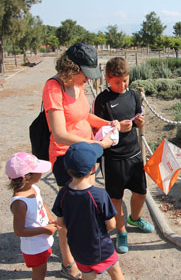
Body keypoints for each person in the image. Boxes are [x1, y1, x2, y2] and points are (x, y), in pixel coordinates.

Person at [42, 42, 119, 279]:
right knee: (72, 211)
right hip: (68, 158)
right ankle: (68, 260)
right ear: (71, 68)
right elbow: (59, 133)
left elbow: (84, 116)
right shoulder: (53, 88)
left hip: (87, 154)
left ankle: (85, 249)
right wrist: (96, 146)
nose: (87, 79)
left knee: (85, 208)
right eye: (85, 73)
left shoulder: (76, 85)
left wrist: (106, 124)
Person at [93, 57, 154, 254]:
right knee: (116, 199)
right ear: (107, 78)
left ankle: (134, 219)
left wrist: (139, 123)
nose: (122, 85)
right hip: (112, 158)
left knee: (141, 193)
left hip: (134, 154)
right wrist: (118, 126)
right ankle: (121, 232)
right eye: (117, 82)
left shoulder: (134, 95)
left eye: (126, 80)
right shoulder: (102, 100)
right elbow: (96, 128)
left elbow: (139, 119)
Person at [52, 142, 124, 280]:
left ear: (67, 168)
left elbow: (61, 222)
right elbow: (111, 225)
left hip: (77, 248)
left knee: (87, 275)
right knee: (116, 273)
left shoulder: (63, 194)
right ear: (93, 168)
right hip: (100, 246)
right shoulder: (99, 195)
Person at [6, 152, 59, 280]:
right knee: (39, 273)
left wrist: (50, 218)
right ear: (27, 177)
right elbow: (19, 231)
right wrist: (46, 230)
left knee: (43, 269)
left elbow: (41, 204)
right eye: (38, 171)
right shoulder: (20, 203)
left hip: (42, 240)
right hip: (34, 246)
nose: (41, 173)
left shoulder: (33, 188)